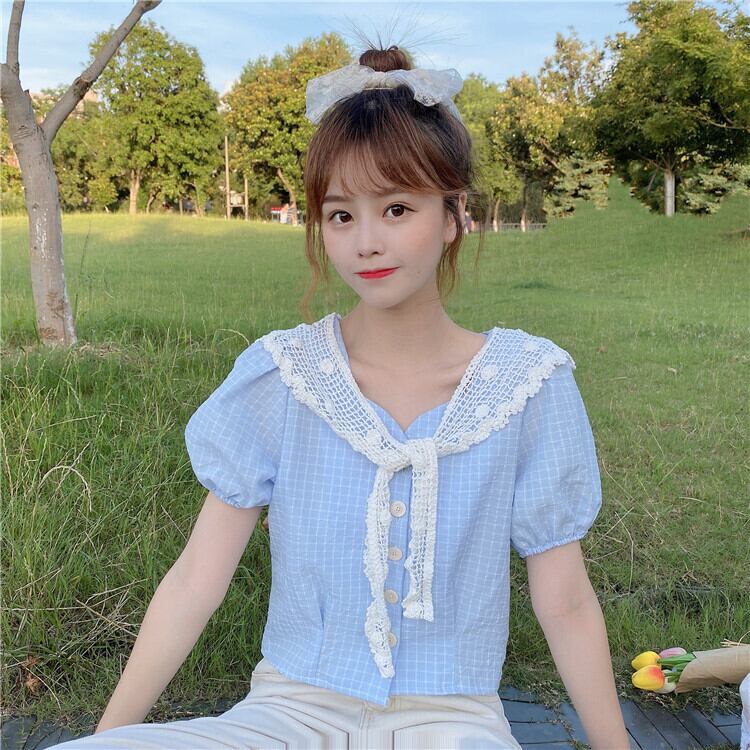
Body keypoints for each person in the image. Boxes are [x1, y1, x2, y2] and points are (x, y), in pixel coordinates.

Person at [51, 43, 630, 750]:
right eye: (340, 215)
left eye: (397, 208)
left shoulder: (527, 386)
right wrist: (106, 739)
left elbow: (565, 602)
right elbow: (196, 580)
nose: (366, 242)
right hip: (287, 714)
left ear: (454, 215)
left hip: (454, 722)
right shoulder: (285, 377)